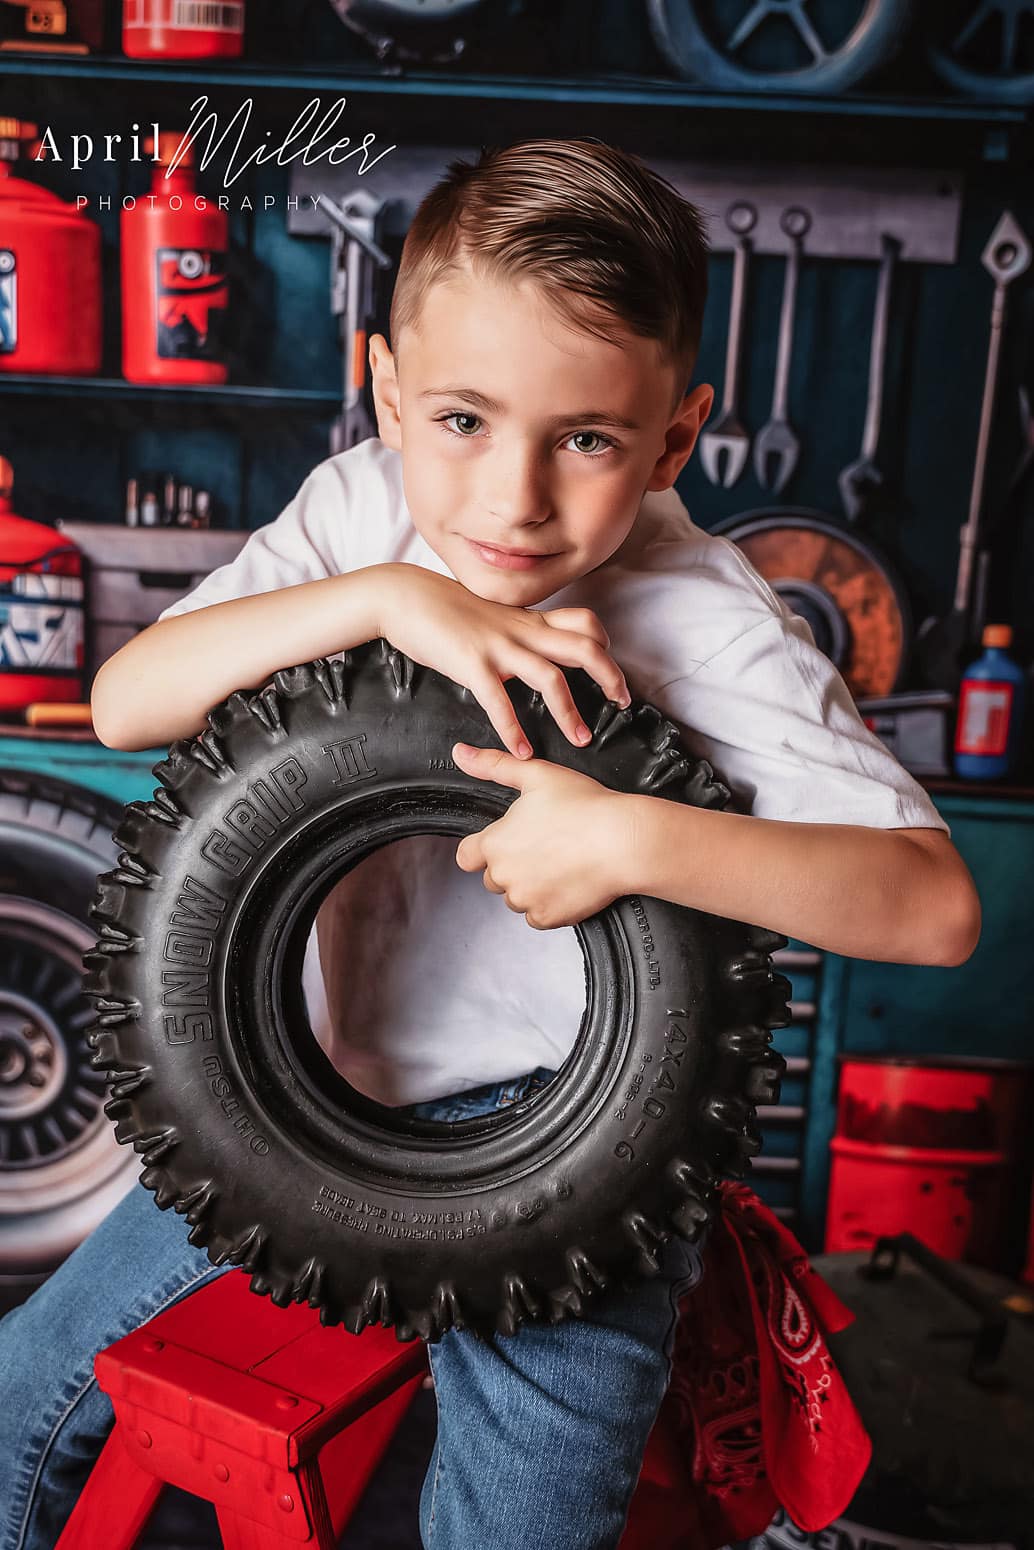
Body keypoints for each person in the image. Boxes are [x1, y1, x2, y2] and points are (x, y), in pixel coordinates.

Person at [0, 137, 980, 1550]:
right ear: (386, 390)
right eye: (461, 418)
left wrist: (636, 838)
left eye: (583, 438)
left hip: (578, 1163)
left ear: (672, 438)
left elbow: (932, 907)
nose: (512, 497)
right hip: (300, 1114)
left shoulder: (707, 623)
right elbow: (122, 699)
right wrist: (383, 599)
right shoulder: (362, 518)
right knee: (28, 1388)